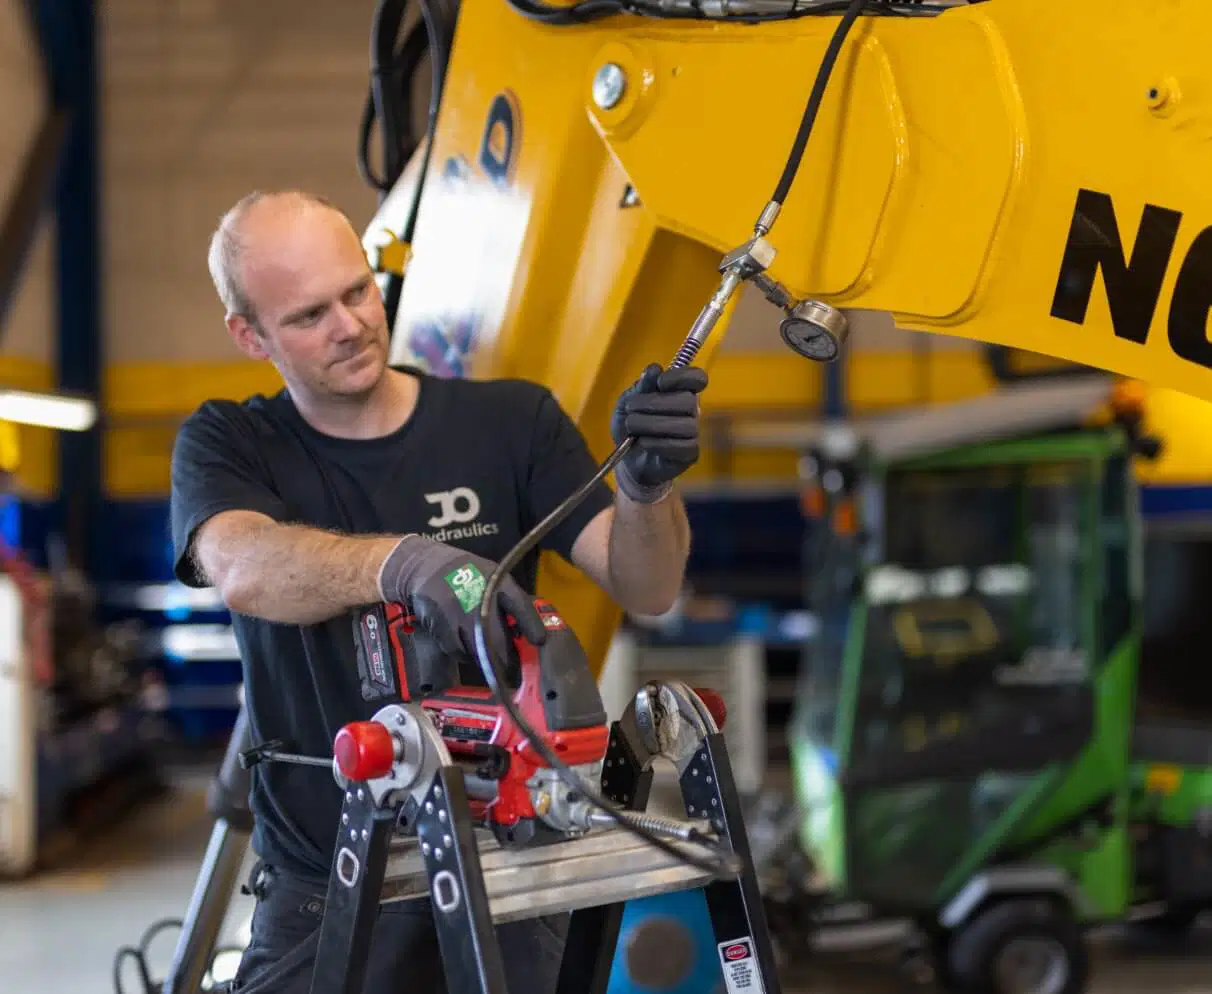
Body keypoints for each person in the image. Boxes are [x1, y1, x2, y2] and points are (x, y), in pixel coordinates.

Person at [169, 189, 710, 993]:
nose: (352, 325)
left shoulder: (510, 422)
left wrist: (643, 490)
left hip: (512, 872)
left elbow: (650, 582)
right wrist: (403, 564)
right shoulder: (231, 442)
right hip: (325, 885)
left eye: (357, 291)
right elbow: (244, 569)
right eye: (310, 314)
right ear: (250, 334)